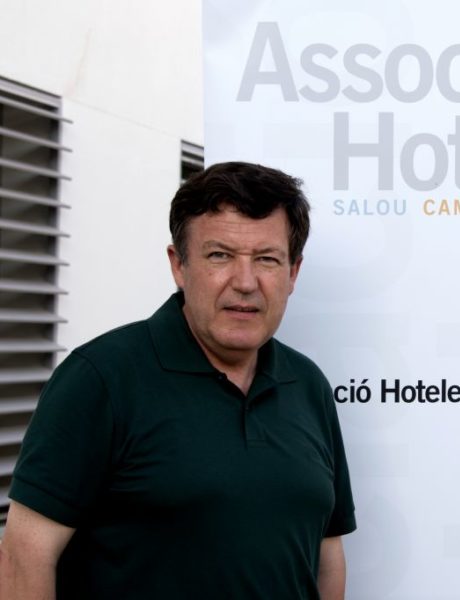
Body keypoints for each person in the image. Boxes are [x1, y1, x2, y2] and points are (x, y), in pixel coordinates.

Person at [0, 162, 356, 599]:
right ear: (179, 265)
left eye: (267, 259)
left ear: (293, 272)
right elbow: (24, 556)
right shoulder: (100, 379)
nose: (245, 283)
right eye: (220, 255)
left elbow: (327, 554)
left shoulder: (309, 385)